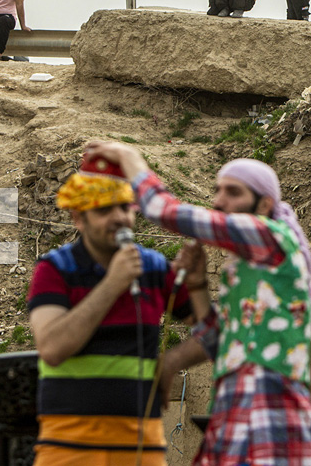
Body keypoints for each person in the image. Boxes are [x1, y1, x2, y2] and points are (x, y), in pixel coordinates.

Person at [83, 140, 311, 466]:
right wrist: (197, 286)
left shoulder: (271, 236)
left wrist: (129, 158)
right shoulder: (252, 268)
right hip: (235, 404)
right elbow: (217, 340)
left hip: (268, 406)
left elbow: (164, 211)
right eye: (218, 190)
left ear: (264, 204)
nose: (218, 201)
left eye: (233, 192)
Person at [27, 154, 192, 465]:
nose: (119, 217)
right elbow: (52, 348)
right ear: (79, 218)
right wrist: (112, 284)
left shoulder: (154, 267)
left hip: (142, 447)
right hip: (69, 447)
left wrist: (173, 360)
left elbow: (215, 328)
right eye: (104, 210)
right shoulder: (55, 269)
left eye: (124, 208)